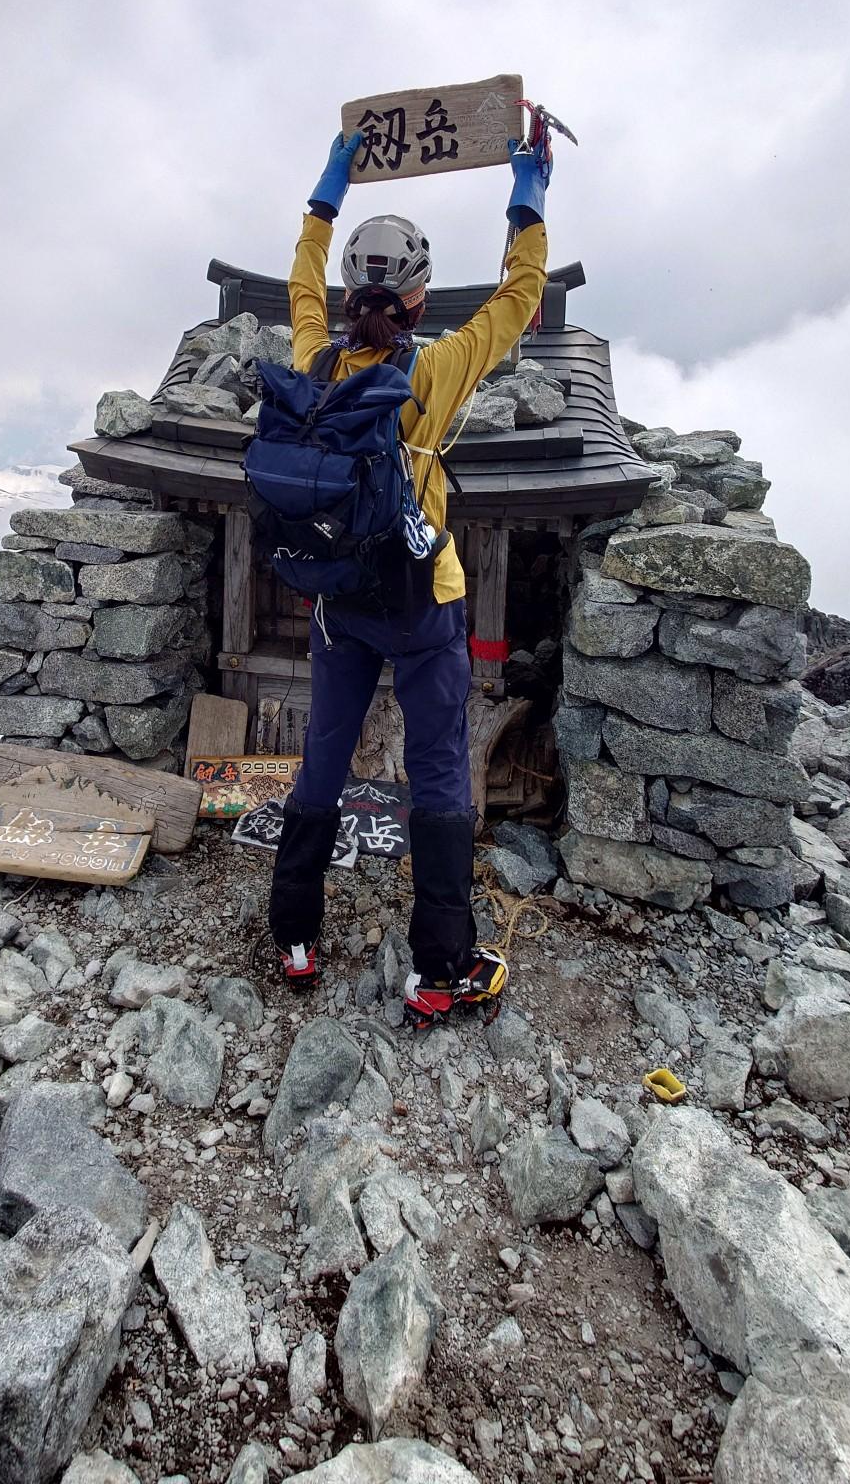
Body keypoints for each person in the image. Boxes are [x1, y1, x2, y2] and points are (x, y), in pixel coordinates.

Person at [267, 124, 552, 1026]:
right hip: (424, 603)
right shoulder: (434, 371)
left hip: (336, 602)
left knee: (323, 756)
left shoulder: (315, 359)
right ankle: (443, 969)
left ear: (355, 292)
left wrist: (328, 188)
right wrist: (527, 194)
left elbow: (301, 279)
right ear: (420, 298)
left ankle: (296, 937)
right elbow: (521, 296)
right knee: (437, 773)